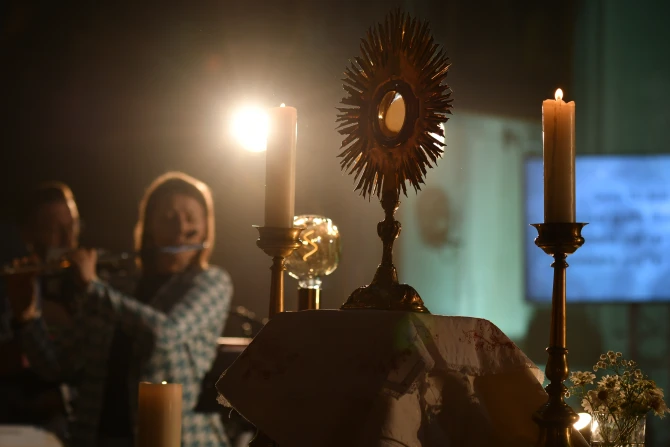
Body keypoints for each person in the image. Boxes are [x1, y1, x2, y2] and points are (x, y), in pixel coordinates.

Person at [7, 172, 233, 447]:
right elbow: (57, 367)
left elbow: (166, 336)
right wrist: (26, 316)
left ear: (205, 229)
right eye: (169, 217)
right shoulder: (119, 286)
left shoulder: (211, 283)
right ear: (148, 227)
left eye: (190, 218)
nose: (181, 228)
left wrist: (93, 288)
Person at [0, 182, 81, 439]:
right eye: (54, 229)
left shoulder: (94, 288)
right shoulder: (12, 287)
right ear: (28, 235)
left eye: (72, 226)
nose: (68, 239)